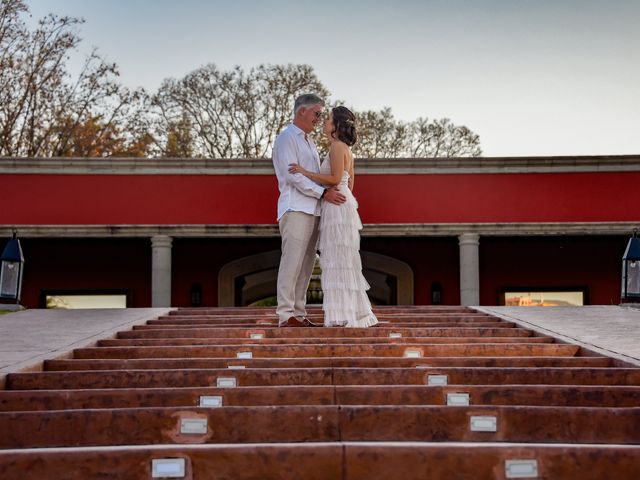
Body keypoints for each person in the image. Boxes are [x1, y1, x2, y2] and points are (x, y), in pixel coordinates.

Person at [289, 106, 378, 328]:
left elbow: (335, 177)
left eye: (328, 119)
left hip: (336, 206)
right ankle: (346, 314)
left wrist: (304, 171)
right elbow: (349, 184)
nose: (325, 122)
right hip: (342, 202)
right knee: (340, 260)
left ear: (336, 125)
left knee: (337, 260)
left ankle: (343, 316)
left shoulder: (337, 146)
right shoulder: (345, 149)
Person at [272, 94, 346, 327]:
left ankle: (299, 314)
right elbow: (293, 177)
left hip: (313, 210)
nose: (319, 118)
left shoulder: (309, 142)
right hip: (295, 208)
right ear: (301, 111)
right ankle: (285, 315)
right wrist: (323, 193)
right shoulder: (286, 138)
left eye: (321, 114)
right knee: (292, 262)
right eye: (317, 113)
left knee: (305, 266)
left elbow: (313, 176)